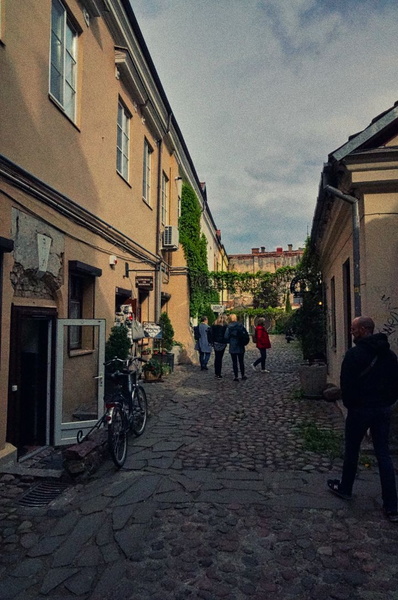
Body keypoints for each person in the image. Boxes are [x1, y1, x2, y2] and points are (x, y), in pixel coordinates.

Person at [327, 316, 398, 523]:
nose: (351, 332)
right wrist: (388, 402)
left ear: (365, 329)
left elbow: (346, 385)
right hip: (382, 409)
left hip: (360, 410)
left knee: (352, 449)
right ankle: (392, 505)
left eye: (354, 329)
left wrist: (352, 405)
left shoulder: (355, 354)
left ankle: (346, 487)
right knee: (383, 454)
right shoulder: (389, 355)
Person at [224, 314, 249, 381]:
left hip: (233, 345)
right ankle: (243, 375)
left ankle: (236, 376)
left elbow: (226, 336)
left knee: (234, 362)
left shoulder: (229, 327)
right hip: (240, 344)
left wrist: (230, 340)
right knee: (241, 361)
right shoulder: (240, 325)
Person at [211, 314, 228, 379]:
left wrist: (212, 341)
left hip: (215, 342)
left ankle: (216, 373)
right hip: (222, 343)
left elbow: (211, 334)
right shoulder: (225, 326)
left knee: (216, 357)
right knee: (220, 358)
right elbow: (226, 335)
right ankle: (219, 373)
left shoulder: (214, 325)